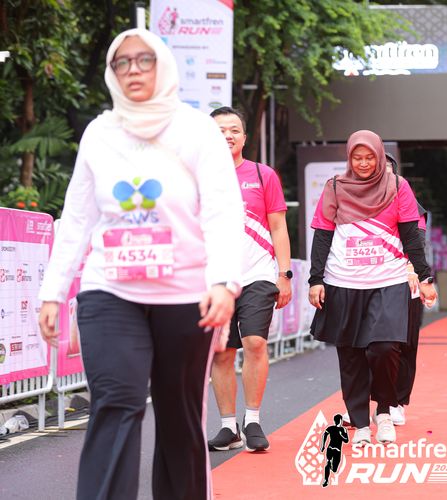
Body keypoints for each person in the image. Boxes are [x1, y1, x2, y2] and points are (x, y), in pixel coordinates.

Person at [36, 29, 245, 500]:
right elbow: (78, 216)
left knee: (178, 413)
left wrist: (223, 282)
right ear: (113, 73)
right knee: (115, 402)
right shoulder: (100, 133)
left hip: (186, 295)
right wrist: (53, 291)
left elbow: (221, 208)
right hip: (109, 290)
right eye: (122, 62)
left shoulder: (196, 130)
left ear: (163, 65)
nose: (133, 69)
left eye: (143, 60)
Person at [308, 130, 436, 446]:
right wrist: (315, 279)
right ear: (349, 158)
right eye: (357, 157)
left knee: (385, 347)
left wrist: (424, 277)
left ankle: (384, 411)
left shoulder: (398, 187)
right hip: (343, 281)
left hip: (388, 280)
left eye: (369, 157)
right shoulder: (335, 187)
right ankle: (361, 423)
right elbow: (322, 235)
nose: (364, 163)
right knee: (351, 354)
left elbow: (411, 235)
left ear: (379, 158)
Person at [206, 106, 292, 453]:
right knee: (222, 352)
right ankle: (229, 427)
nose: (227, 136)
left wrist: (284, 274)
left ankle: (253, 419)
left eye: (234, 130)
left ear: (244, 137)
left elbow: (278, 226)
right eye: (220, 130)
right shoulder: (197, 177)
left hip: (257, 273)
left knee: (255, 342)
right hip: (215, 278)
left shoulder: (262, 175)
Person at [386, 152, 429, 427]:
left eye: (387, 168)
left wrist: (418, 274)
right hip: (367, 282)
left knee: (404, 343)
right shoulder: (355, 203)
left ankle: (397, 401)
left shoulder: (412, 206)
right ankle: (365, 402)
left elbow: (416, 242)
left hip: (405, 280)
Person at [320, 414, 349, 488]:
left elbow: (324, 435)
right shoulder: (340, 429)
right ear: (340, 420)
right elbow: (346, 440)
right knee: (329, 464)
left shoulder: (335, 428)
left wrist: (323, 445)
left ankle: (329, 468)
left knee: (333, 468)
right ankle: (326, 479)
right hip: (334, 449)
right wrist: (341, 435)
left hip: (332, 449)